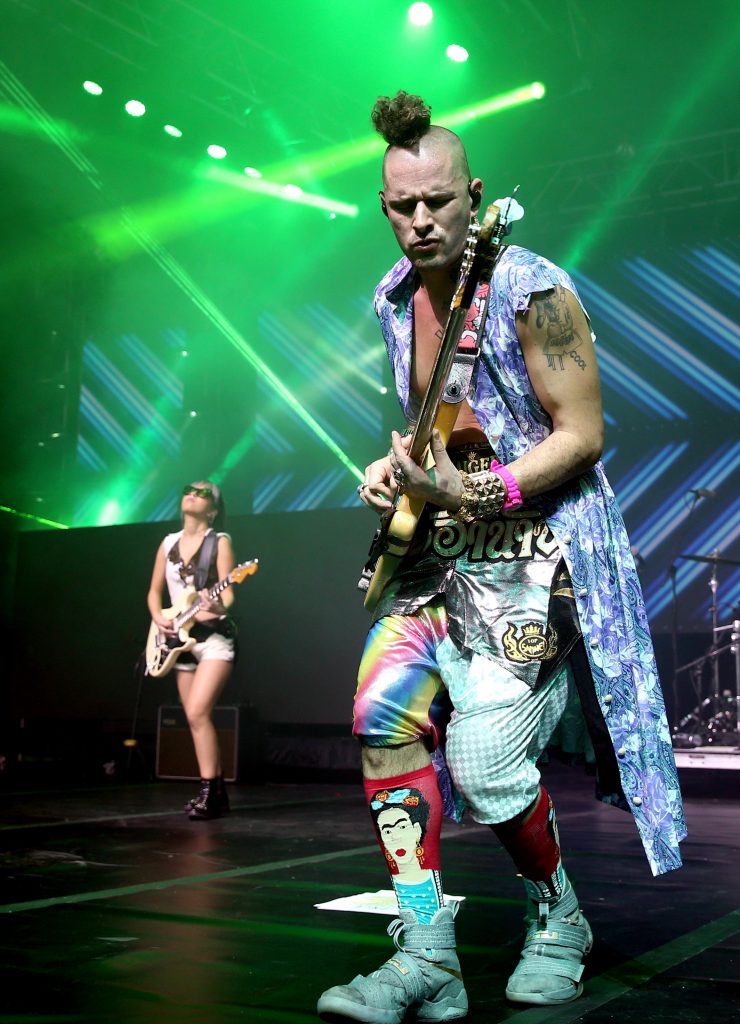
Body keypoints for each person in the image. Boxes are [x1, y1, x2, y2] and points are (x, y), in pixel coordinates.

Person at [316, 92, 686, 1022]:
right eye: (402, 206)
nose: (421, 221)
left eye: (438, 201)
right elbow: (437, 418)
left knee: (483, 762)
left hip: (537, 553)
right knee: (380, 718)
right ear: (383, 205)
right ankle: (427, 953)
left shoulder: (533, 288)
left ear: (472, 195)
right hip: (440, 560)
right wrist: (393, 466)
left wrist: (473, 493)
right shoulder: (393, 299)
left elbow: (585, 434)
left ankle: (559, 920)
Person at [147, 480, 237, 820]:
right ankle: (215, 794)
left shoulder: (220, 542)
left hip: (213, 637)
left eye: (203, 493)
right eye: (189, 489)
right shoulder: (168, 542)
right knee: (194, 718)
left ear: (212, 508)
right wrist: (159, 617)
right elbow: (155, 592)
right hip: (178, 638)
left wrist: (212, 604)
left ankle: (210, 792)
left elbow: (227, 595)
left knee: (198, 711)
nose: (193, 494)